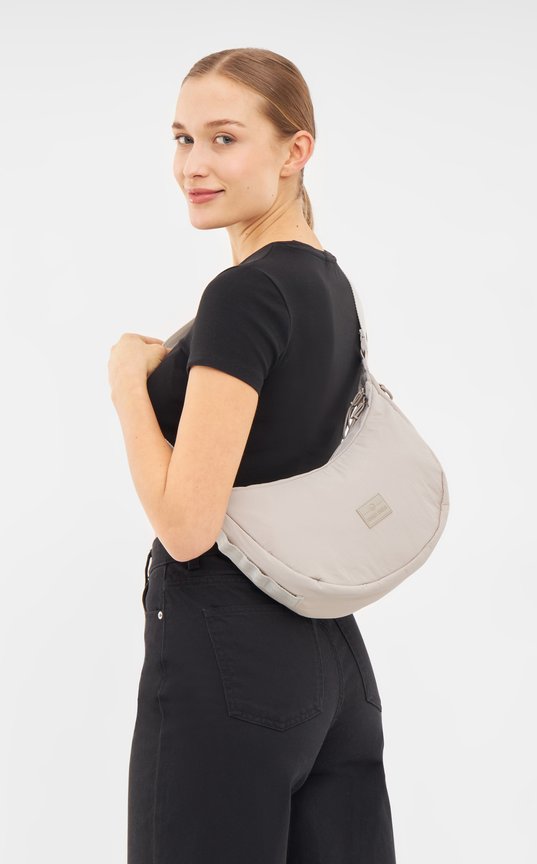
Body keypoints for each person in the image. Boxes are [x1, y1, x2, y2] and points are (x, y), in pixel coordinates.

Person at [108, 47, 397, 864]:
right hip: (330, 655)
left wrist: (127, 383)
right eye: (182, 138)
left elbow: (187, 526)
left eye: (224, 138)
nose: (193, 165)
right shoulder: (329, 287)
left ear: (295, 150)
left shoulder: (244, 295)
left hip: (228, 652)